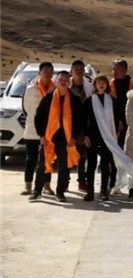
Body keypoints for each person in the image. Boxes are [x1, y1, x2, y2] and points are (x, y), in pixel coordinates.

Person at [31, 70, 83, 202]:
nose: (63, 81)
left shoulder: (74, 99)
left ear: (69, 82)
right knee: (42, 164)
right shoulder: (48, 98)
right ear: (55, 81)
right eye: (61, 79)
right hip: (49, 137)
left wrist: (74, 137)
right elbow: (38, 117)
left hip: (66, 138)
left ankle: (60, 193)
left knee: (63, 166)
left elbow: (79, 120)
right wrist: (41, 135)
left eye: (66, 79)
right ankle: (37, 191)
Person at [82, 75, 120, 201]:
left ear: (107, 85)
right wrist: (85, 135)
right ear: (95, 85)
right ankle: (90, 191)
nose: (101, 84)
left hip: (108, 136)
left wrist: (116, 133)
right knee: (91, 163)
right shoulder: (89, 101)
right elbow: (84, 120)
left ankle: (104, 190)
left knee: (105, 164)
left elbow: (116, 118)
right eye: (99, 82)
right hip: (92, 136)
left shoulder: (112, 101)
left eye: (104, 82)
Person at [21, 62, 54, 197]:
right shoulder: (30, 89)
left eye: (50, 71)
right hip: (32, 129)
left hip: (49, 129)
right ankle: (28, 185)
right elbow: (26, 108)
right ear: (39, 72)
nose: (48, 73)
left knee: (47, 158)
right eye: (45, 70)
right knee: (31, 158)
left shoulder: (54, 89)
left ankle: (46, 185)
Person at [108, 59, 132, 193]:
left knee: (128, 156)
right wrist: (117, 122)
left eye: (117, 69)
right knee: (114, 156)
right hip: (114, 126)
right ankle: (113, 183)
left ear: (125, 70)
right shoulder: (109, 85)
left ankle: (130, 185)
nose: (115, 72)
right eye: (114, 69)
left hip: (130, 126)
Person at [69, 59, 93, 193]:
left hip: (84, 125)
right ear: (71, 71)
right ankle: (65, 181)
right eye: (76, 69)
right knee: (67, 153)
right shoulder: (66, 85)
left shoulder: (90, 87)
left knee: (82, 155)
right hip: (69, 124)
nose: (78, 71)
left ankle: (82, 181)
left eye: (81, 69)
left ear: (84, 71)